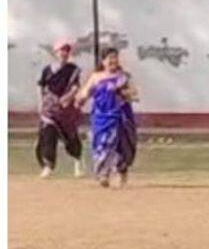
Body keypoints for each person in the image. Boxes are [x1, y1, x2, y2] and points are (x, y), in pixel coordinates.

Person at [75, 48, 138, 188]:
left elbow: (135, 94)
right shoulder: (96, 77)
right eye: (109, 58)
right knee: (101, 144)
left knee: (120, 146)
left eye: (115, 58)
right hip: (100, 117)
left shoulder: (124, 77)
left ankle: (120, 171)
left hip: (119, 116)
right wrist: (80, 99)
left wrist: (122, 92)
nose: (112, 61)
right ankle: (103, 173)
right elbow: (85, 93)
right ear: (103, 61)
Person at [35, 40, 84, 178]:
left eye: (67, 50)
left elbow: (75, 87)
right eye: (61, 50)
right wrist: (40, 103)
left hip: (66, 110)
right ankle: (48, 166)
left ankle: (77, 162)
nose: (64, 53)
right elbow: (40, 86)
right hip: (49, 109)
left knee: (70, 137)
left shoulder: (72, 69)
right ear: (55, 52)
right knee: (48, 135)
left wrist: (67, 98)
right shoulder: (47, 69)